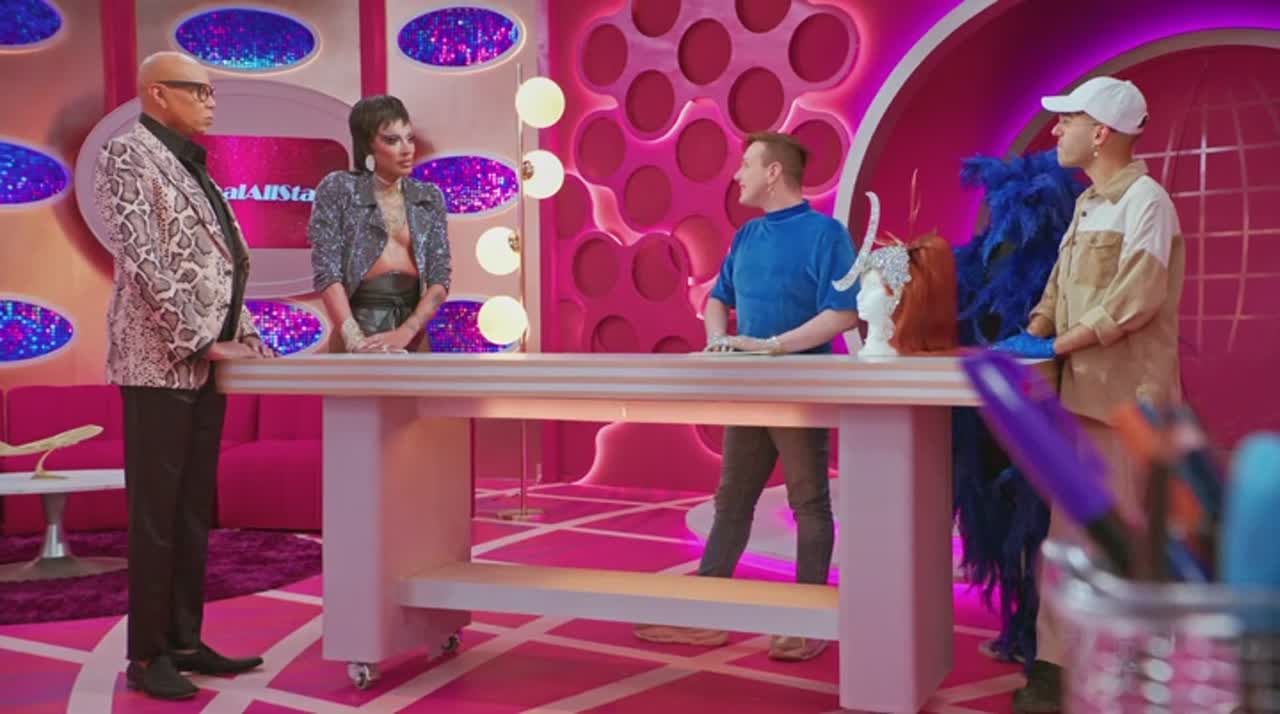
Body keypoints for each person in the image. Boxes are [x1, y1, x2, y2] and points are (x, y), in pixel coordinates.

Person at [997, 76, 1185, 713]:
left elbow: (1136, 298)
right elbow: (1058, 287)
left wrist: (1060, 344)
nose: (1056, 130)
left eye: (1068, 119)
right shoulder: (1087, 204)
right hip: (1081, 399)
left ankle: (1137, 667)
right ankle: (1056, 666)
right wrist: (1034, 332)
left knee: (1126, 535)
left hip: (1129, 402)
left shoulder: (1147, 202)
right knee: (1069, 538)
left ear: (1101, 132)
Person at [634, 132, 859, 661]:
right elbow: (718, 298)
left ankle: (807, 621)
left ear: (774, 172)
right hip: (749, 390)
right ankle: (709, 616)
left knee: (808, 502)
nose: (738, 175)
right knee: (732, 499)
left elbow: (844, 313)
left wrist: (773, 346)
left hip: (800, 390)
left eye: (746, 165)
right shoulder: (748, 235)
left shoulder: (827, 234)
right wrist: (719, 341)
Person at [93, 51, 274, 700]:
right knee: (156, 515)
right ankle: (147, 657)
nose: (209, 101)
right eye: (197, 91)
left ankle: (185, 640)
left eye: (211, 91)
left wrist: (245, 335)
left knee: (193, 511)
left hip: (204, 366)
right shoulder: (126, 153)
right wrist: (202, 339)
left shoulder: (193, 164)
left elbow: (223, 264)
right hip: (159, 362)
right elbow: (146, 260)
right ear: (157, 93)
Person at [308, 95, 451, 352]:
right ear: (367, 146)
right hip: (356, 328)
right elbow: (327, 273)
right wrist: (355, 340)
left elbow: (440, 277)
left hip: (412, 333)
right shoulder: (339, 188)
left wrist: (407, 331)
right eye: (392, 140)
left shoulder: (428, 197)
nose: (407, 149)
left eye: (409, 138)